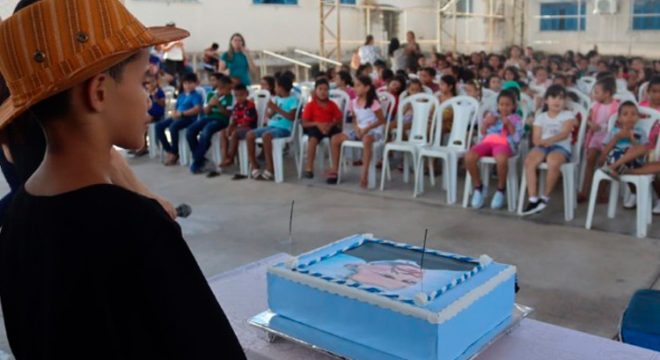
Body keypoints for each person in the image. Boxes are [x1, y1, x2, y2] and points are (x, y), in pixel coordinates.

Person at [0, 0, 245, 358]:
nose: (149, 99)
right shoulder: (138, 225)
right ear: (98, 92)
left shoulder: (16, 219)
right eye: (144, 81)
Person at [521, 85, 577, 216]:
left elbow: (564, 133)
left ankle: (545, 198)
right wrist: (542, 143)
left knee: (553, 161)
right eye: (553, 97)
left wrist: (549, 141)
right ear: (546, 100)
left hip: (561, 147)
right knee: (529, 161)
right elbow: (535, 138)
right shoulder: (541, 117)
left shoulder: (567, 115)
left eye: (561, 98)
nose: (557, 101)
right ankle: (533, 199)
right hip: (542, 145)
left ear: (565, 102)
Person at [465, 90, 523, 209]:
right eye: (501, 104)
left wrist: (509, 125)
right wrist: (486, 123)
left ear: (514, 106)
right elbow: (482, 133)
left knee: (501, 159)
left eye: (508, 105)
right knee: (469, 156)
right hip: (488, 142)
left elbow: (517, 139)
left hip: (505, 144)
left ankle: (501, 189)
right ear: (497, 106)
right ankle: (478, 187)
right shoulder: (493, 116)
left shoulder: (516, 119)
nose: (504, 108)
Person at [327, 76, 386, 188]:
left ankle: (364, 174)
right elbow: (354, 118)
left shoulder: (373, 103)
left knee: (367, 140)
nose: (355, 88)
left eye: (358, 85)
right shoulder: (353, 102)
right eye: (354, 85)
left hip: (373, 131)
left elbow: (382, 120)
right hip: (359, 130)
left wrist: (366, 129)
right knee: (335, 139)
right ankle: (335, 170)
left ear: (367, 88)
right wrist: (357, 128)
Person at [246, 75, 299, 181]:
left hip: (284, 129)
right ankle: (254, 165)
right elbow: (270, 116)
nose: (274, 89)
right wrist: (272, 109)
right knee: (250, 134)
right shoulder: (277, 99)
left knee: (267, 136)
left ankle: (270, 167)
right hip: (271, 126)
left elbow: (292, 117)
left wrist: (276, 108)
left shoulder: (293, 100)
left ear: (281, 87)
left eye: (275, 87)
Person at [578, 76, 619, 202]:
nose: (594, 95)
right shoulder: (595, 105)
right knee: (590, 160)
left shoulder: (616, 106)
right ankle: (584, 191)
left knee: (604, 163)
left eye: (597, 92)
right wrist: (591, 125)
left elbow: (618, 124)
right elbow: (588, 119)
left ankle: (601, 192)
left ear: (607, 93)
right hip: (596, 138)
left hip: (609, 140)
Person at [187, 73, 233, 174]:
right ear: (220, 88)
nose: (230, 91)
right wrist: (211, 105)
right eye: (227, 89)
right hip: (209, 118)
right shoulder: (210, 94)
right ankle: (200, 159)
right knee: (190, 131)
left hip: (221, 121)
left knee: (206, 131)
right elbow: (206, 112)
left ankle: (196, 162)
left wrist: (219, 105)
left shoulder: (230, 97)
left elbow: (228, 114)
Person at [155, 73, 203, 166]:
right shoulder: (181, 95)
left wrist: (182, 113)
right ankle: (169, 150)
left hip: (189, 118)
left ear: (195, 84)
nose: (187, 86)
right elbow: (176, 107)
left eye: (190, 83)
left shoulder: (196, 95)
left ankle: (174, 152)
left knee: (173, 127)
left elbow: (197, 109)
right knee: (159, 126)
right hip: (178, 116)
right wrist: (174, 112)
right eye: (185, 83)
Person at [301, 79, 343, 178]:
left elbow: (339, 119)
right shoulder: (310, 105)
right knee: (313, 140)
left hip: (329, 126)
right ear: (316, 91)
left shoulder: (332, 104)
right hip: (315, 127)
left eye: (326, 89)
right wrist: (318, 124)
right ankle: (309, 167)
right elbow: (305, 123)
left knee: (336, 138)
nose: (323, 92)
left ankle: (335, 167)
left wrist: (330, 125)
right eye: (320, 89)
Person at [599, 102, 649, 179]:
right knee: (616, 153)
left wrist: (632, 140)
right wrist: (616, 138)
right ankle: (615, 168)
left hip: (633, 162)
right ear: (619, 119)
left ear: (638, 117)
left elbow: (643, 152)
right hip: (615, 157)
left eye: (633, 114)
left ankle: (613, 168)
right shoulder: (614, 131)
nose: (630, 117)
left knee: (641, 148)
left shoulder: (641, 132)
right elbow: (605, 149)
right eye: (625, 114)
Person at [219, 84, 257, 173]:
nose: (239, 98)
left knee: (235, 133)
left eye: (241, 95)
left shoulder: (250, 105)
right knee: (223, 132)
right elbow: (234, 120)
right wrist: (230, 127)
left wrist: (234, 128)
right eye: (236, 96)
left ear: (246, 94)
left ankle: (231, 157)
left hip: (249, 128)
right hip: (239, 127)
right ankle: (225, 157)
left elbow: (247, 122)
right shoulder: (236, 106)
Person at [134, 72, 166, 156]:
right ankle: (140, 144)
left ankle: (143, 146)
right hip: (148, 113)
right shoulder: (145, 92)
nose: (148, 85)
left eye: (150, 82)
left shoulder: (159, 92)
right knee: (136, 121)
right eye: (146, 83)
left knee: (142, 121)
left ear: (155, 82)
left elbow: (163, 104)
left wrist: (154, 96)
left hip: (157, 114)